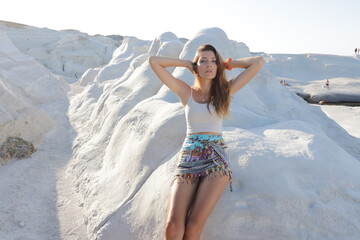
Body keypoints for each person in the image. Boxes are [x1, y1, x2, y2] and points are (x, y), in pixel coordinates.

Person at [149, 44, 264, 240]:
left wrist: (228, 64)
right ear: (197, 66)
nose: (209, 65)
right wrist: (186, 63)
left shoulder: (225, 91)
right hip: (189, 158)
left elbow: (258, 62)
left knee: (193, 226)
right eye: (203, 61)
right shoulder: (185, 92)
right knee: (172, 226)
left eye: (213, 61)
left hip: (216, 160)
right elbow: (154, 61)